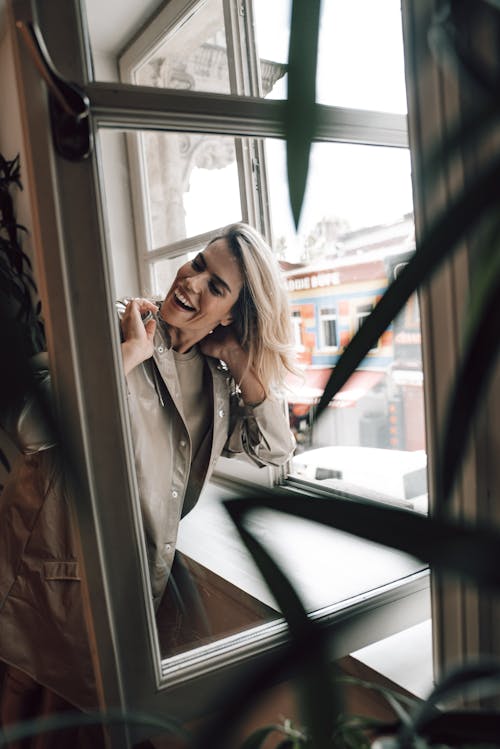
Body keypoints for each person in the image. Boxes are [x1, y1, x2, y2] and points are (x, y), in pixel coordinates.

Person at [0, 223, 296, 739]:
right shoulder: (110, 325)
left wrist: (240, 360)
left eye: (217, 286)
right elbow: (27, 424)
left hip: (127, 600)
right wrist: (130, 353)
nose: (192, 281)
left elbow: (274, 449)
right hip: (41, 578)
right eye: (199, 263)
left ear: (232, 317)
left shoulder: (217, 381)